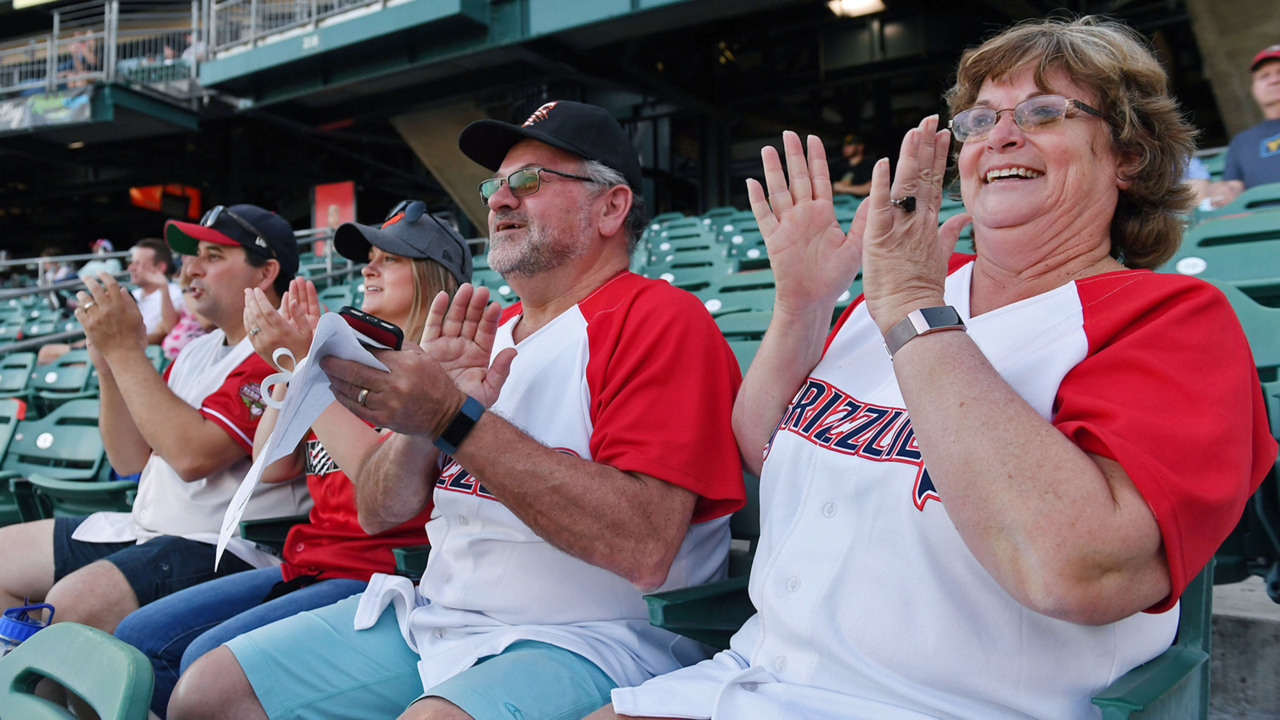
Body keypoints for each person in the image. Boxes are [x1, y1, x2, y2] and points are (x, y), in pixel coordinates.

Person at [597, 17, 1276, 720]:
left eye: (1044, 111)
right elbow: (765, 446)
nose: (1001, 136)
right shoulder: (904, 286)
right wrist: (801, 308)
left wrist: (915, 310)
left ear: (1128, 155)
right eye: (980, 119)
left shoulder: (1167, 319)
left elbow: (1076, 570)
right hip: (749, 679)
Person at [168, 100, 746, 720]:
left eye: (528, 181)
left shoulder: (658, 318)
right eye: (495, 185)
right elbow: (379, 509)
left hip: (597, 638)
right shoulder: (486, 334)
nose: (498, 199)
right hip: (438, 618)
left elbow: (642, 546)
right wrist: (422, 426)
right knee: (207, 693)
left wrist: (453, 419)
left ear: (611, 207)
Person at [115, 201, 468, 716]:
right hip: (309, 561)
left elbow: (388, 503)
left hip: (381, 576)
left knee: (195, 661)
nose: (368, 268)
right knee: (139, 636)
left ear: (433, 275)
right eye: (367, 257)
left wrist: (306, 362)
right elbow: (271, 465)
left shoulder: (448, 370)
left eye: (389, 259)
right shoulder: (348, 360)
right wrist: (291, 364)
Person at [0, 203, 312, 642]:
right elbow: (129, 458)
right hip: (151, 531)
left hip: (230, 548)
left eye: (214, 256)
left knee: (72, 606)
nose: (191, 269)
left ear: (265, 274)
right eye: (191, 256)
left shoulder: (281, 351)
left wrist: (127, 352)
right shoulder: (195, 351)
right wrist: (110, 365)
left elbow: (191, 457)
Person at [1211, 44, 1280, 207]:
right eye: (1264, 76)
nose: (1274, 80)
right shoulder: (1243, 142)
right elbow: (1233, 186)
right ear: (1254, 89)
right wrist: (1220, 190)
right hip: (1262, 227)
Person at [127, 237, 186, 344]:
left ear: (160, 268)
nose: (131, 268)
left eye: (138, 263)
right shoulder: (131, 295)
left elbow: (170, 331)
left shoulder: (176, 294)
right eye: (131, 263)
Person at [160, 262, 215, 360]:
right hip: (173, 358)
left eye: (187, 256)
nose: (183, 260)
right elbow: (169, 326)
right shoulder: (190, 292)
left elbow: (206, 322)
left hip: (197, 358)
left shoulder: (207, 287)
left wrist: (184, 287)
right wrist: (163, 288)